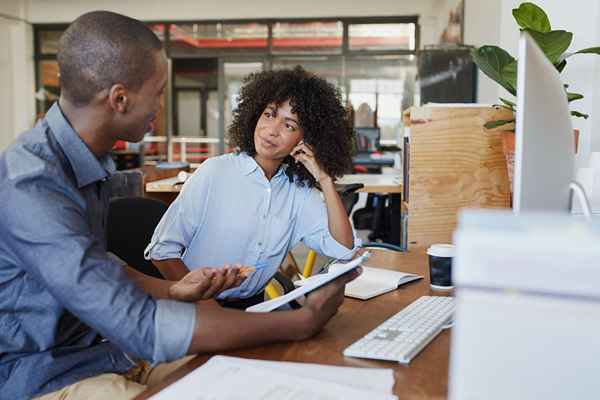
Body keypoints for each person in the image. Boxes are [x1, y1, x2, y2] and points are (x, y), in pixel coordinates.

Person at [0, 11, 359, 400]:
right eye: (157, 92)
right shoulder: (31, 184)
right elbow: (139, 323)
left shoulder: (85, 165)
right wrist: (301, 322)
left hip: (111, 353)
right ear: (120, 99)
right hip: (45, 375)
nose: (161, 106)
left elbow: (96, 267)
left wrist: (175, 290)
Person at [145, 66, 359, 308]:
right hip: (194, 307)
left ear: (305, 140)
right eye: (269, 114)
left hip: (253, 308)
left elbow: (343, 249)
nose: (272, 130)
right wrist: (206, 306)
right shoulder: (215, 172)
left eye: (289, 125)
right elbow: (162, 252)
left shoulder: (297, 192)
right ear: (255, 113)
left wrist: (325, 178)